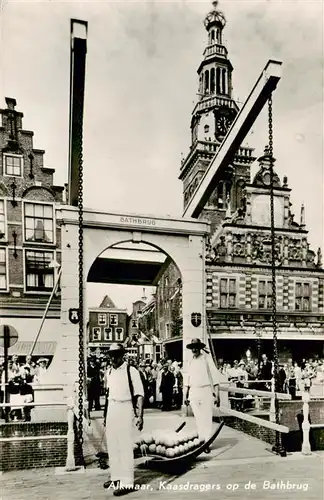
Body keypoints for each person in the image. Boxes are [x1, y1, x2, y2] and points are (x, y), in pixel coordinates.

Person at [103, 343, 144, 496]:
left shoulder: (131, 370)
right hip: (112, 408)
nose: (114, 358)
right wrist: (105, 415)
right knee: (113, 445)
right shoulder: (108, 372)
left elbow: (139, 394)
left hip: (126, 407)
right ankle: (116, 477)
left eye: (117, 354)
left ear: (123, 355)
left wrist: (140, 416)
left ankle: (127, 482)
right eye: (111, 355)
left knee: (125, 445)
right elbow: (108, 395)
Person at [184, 338, 220, 453]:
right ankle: (202, 439)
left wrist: (217, 394)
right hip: (194, 392)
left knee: (206, 416)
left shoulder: (206, 359)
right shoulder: (190, 361)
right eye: (192, 348)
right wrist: (186, 395)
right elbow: (187, 380)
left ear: (200, 348)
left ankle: (207, 441)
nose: (194, 349)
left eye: (196, 347)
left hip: (205, 390)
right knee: (198, 417)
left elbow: (215, 378)